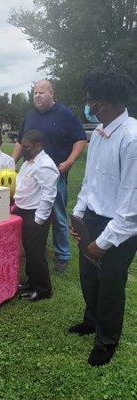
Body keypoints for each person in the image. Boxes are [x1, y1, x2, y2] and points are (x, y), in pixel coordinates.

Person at [69, 68, 137, 366]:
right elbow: (90, 181)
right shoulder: (97, 134)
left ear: (105, 103)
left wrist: (104, 242)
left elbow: (131, 204)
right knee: (88, 277)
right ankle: (92, 320)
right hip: (93, 219)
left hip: (121, 228)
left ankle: (107, 340)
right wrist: (77, 215)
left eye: (89, 101)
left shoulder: (132, 139)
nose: (87, 105)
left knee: (110, 283)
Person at [13, 80, 87, 272]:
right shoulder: (30, 115)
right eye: (35, 92)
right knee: (28, 211)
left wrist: (70, 161)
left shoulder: (65, 114)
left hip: (54, 174)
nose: (37, 95)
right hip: (30, 173)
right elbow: (22, 142)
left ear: (52, 93)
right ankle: (32, 248)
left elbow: (80, 139)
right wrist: (12, 162)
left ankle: (62, 255)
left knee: (58, 215)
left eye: (41, 92)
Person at [14, 130, 59, 301]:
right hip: (24, 212)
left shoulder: (45, 165)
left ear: (38, 146)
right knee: (30, 251)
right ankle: (31, 281)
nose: (23, 150)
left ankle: (42, 289)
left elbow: (49, 195)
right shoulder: (29, 162)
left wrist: (38, 220)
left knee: (37, 253)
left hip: (36, 214)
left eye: (26, 147)